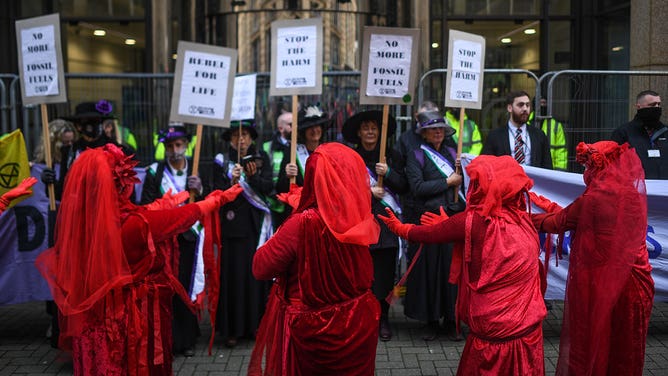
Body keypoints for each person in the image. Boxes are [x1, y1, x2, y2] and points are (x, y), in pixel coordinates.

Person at [35, 143, 242, 375]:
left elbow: (146, 214)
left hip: (95, 318)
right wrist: (217, 200)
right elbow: (179, 218)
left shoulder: (83, 222)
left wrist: (163, 204)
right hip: (130, 319)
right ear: (120, 184)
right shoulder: (133, 224)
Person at [379, 154, 547, 375]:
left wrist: (399, 228)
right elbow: (558, 220)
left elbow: (427, 234)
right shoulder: (525, 218)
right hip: (527, 332)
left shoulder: (473, 221)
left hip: (491, 336)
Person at [249, 143, 381, 376]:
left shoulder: (303, 224)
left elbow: (261, 267)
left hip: (312, 331)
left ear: (312, 177)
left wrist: (288, 224)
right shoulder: (357, 216)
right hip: (357, 324)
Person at [531, 141, 654, 375]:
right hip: (636, 284)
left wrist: (523, 217)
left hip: (606, 284)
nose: (586, 171)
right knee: (626, 349)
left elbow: (559, 222)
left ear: (600, 166)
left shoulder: (595, 198)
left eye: (588, 165)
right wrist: (549, 205)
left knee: (596, 345)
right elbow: (576, 216)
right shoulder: (630, 192)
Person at [342, 110, 408, 341]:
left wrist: (387, 172)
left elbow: (403, 186)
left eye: (374, 127)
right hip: (360, 223)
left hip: (386, 223)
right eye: (366, 128)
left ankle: (384, 318)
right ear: (359, 132)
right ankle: (362, 317)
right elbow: (345, 192)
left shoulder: (391, 155)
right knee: (362, 274)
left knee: (385, 273)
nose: (370, 131)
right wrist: (368, 192)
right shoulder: (351, 158)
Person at [139, 123, 204, 357]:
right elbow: (145, 204)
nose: (174, 150)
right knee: (166, 289)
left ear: (186, 145)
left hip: (189, 239)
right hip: (165, 241)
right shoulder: (155, 172)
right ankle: (167, 338)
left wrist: (201, 189)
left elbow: (208, 201)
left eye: (178, 145)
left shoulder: (196, 171)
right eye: (170, 146)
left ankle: (186, 339)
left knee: (185, 287)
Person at [212, 120, 274, 348]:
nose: (241, 140)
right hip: (231, 229)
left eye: (245, 135)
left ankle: (255, 326)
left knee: (254, 276)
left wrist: (252, 177)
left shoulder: (261, 158)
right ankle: (232, 329)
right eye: (237, 135)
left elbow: (268, 188)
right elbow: (214, 192)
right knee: (232, 277)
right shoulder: (221, 162)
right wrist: (231, 180)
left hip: (254, 227)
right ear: (230, 139)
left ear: (251, 138)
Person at [404, 109, 463, 340]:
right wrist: (448, 181)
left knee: (450, 270)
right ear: (425, 133)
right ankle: (430, 321)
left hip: (450, 220)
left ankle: (451, 320)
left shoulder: (452, 153)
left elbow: (463, 187)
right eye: (432, 129)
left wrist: (462, 173)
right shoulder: (415, 155)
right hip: (428, 220)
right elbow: (417, 188)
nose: (437, 132)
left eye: (441, 128)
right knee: (429, 271)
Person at [481, 91, 553, 169]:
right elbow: (486, 164)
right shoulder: (495, 136)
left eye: (527, 105)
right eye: (520, 105)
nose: (525, 109)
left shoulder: (539, 135)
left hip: (532, 180)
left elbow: (547, 166)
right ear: (510, 108)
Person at [611, 90, 668, 179]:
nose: (657, 108)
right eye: (652, 105)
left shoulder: (665, 131)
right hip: (636, 187)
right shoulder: (623, 133)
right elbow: (614, 163)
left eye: (659, 104)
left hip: (663, 189)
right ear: (639, 107)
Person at [275, 106, 329, 197]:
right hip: (300, 207)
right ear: (303, 131)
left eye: (317, 126)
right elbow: (280, 189)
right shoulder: (292, 153)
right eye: (310, 127)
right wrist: (287, 176)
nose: (315, 130)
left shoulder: (328, 152)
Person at [262, 111, 292, 228]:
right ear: (281, 128)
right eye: (290, 125)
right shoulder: (267, 148)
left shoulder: (300, 146)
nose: (295, 128)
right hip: (274, 204)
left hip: (295, 204)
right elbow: (265, 175)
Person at [528, 97, 568, 170]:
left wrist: (560, 171)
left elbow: (561, 151)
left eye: (544, 103)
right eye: (540, 103)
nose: (542, 106)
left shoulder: (556, 126)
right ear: (534, 105)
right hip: (529, 168)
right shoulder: (525, 123)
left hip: (549, 169)